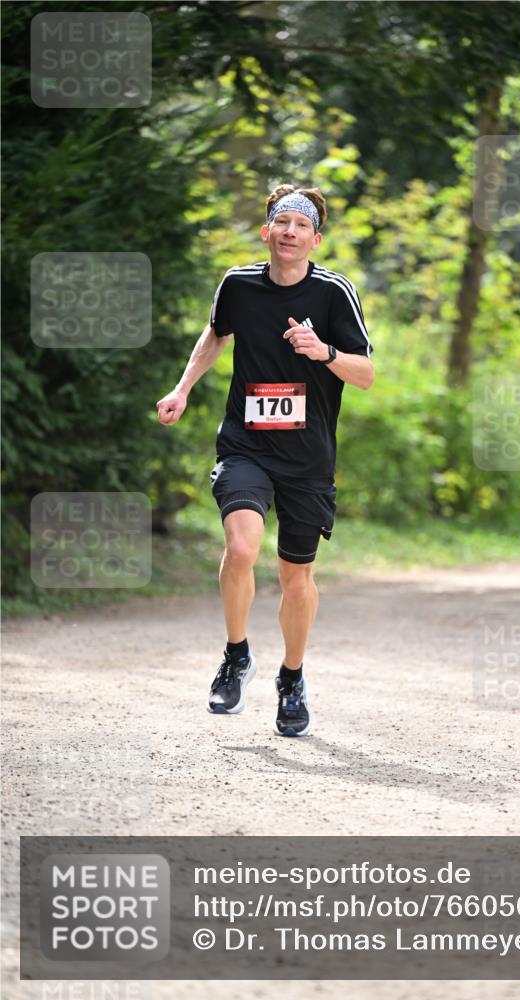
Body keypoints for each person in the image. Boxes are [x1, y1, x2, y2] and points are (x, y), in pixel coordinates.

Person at [156, 184, 374, 736]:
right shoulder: (238, 285)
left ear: (315, 239)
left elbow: (366, 374)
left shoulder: (333, 293)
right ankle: (236, 656)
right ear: (266, 231)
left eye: (301, 226)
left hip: (306, 458)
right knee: (241, 547)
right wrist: (182, 389)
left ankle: (292, 678)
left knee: (296, 578)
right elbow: (215, 334)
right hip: (246, 445)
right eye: (282, 223)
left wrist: (323, 351)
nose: (289, 233)